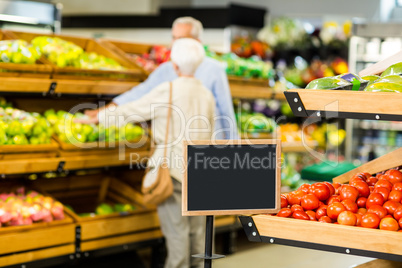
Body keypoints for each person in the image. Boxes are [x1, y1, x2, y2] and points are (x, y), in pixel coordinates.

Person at [79, 38, 215, 268]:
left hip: (172, 170)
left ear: (174, 64)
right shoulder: (206, 94)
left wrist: (96, 117)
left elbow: (132, 111)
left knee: (177, 233)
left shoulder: (168, 90)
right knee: (198, 235)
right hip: (201, 170)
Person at [86, 16, 238, 140]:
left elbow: (226, 112)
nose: (175, 44)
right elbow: (140, 93)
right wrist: (106, 109)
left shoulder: (214, 70)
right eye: (174, 38)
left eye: (182, 38)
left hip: (200, 150)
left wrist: (231, 149)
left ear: (197, 42)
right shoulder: (166, 69)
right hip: (179, 146)